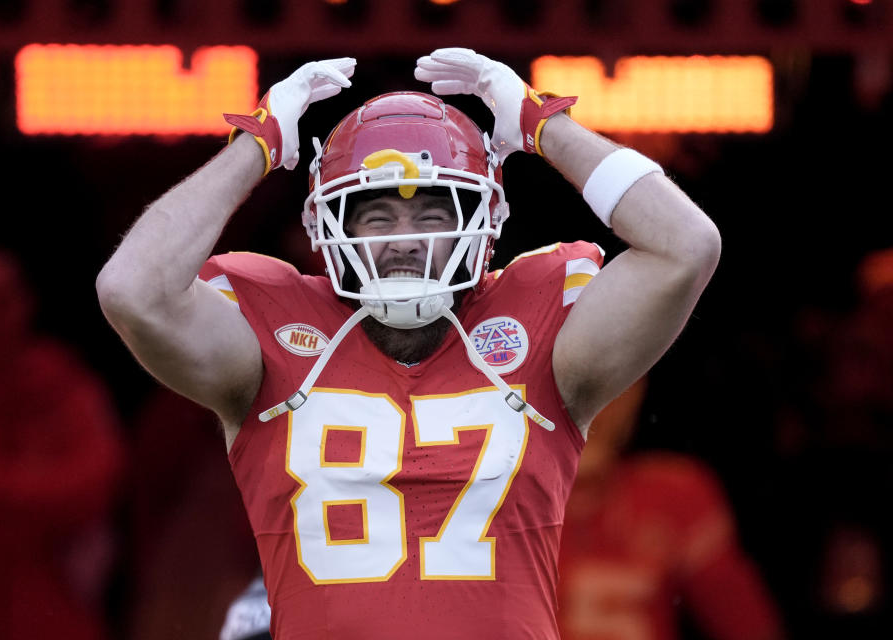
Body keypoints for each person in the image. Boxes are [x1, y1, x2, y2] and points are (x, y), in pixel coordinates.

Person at [96, 48, 721, 639]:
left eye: (433, 215)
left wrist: (540, 122)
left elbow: (685, 246)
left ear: (482, 223)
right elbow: (131, 288)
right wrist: (254, 147)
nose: (404, 239)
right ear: (328, 223)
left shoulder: (540, 333)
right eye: (377, 216)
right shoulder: (270, 338)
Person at [0, 247, 125, 640]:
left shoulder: (65, 386)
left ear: (25, 301)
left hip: (52, 601)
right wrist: (30, 496)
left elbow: (94, 483)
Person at [556, 377, 784, 640]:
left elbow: (748, 626)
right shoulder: (500, 503)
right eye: (565, 384)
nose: (593, 409)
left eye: (617, 383)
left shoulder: (672, 496)